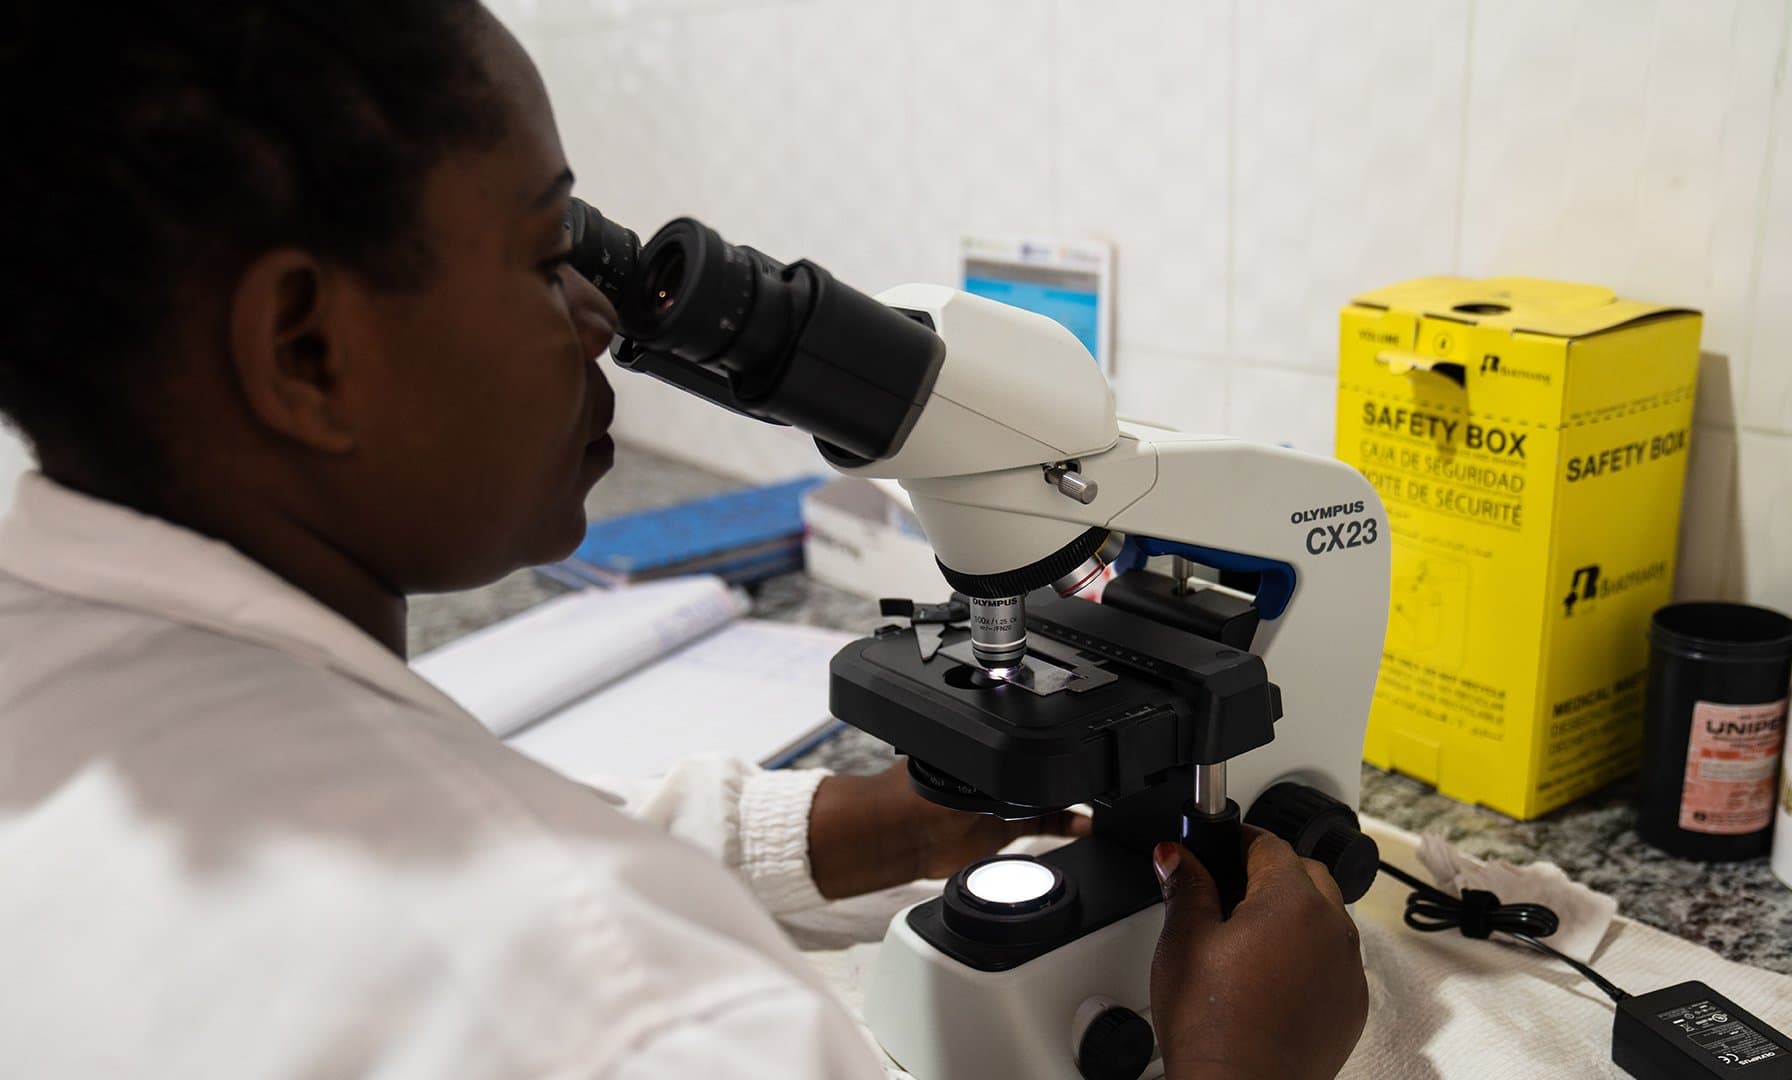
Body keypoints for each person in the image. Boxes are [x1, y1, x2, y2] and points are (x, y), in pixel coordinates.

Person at [0, 2, 1368, 1076]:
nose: (607, 320)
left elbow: (472, 849)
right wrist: (1245, 1064)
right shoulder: (636, 1015)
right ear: (305, 348)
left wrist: (875, 824)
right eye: (551, 259)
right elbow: (552, 934)